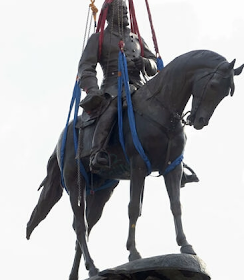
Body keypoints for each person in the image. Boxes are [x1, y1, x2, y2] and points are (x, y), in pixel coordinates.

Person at [77, 0, 199, 185]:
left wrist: (144, 63)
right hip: (113, 88)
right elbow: (86, 68)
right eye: (120, 10)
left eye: (126, 10)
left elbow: (154, 65)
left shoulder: (137, 39)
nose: (125, 13)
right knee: (111, 110)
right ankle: (97, 152)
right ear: (109, 14)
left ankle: (175, 161)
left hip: (141, 88)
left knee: (169, 114)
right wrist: (93, 90)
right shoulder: (99, 38)